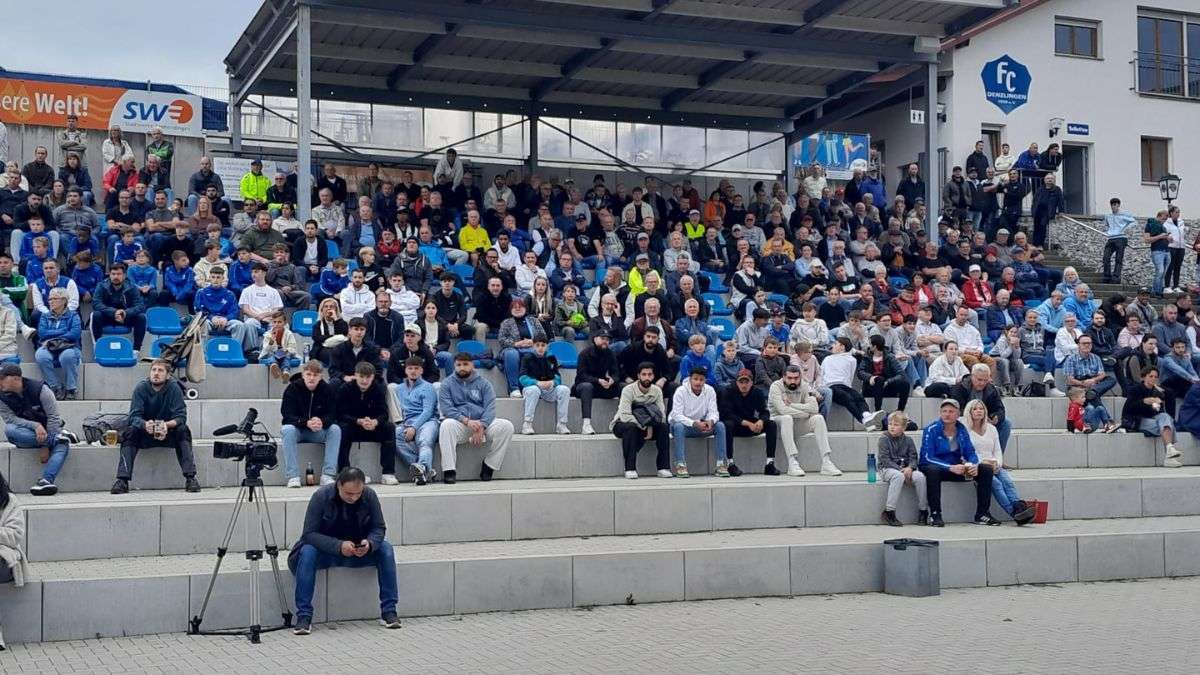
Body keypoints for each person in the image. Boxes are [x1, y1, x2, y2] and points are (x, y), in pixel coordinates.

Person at [289, 466, 400, 635]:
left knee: (386, 549)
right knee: (308, 551)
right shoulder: (321, 496)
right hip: (325, 551)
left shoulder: (369, 495)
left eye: (358, 493)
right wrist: (338, 546)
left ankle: (389, 611)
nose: (354, 498)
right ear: (339, 485)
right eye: (349, 494)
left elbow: (379, 528)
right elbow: (309, 534)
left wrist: (369, 543)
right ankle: (304, 616)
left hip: (357, 551)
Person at [111, 359, 199, 494]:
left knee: (183, 430)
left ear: (168, 375)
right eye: (154, 370)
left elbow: (181, 417)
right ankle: (122, 480)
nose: (156, 373)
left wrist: (166, 425)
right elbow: (134, 416)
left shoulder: (174, 388)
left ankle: (190, 478)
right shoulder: (141, 388)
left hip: (167, 433)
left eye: (160, 370)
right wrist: (145, 424)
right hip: (145, 432)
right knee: (130, 432)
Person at [918, 398, 999, 527]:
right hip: (936, 467)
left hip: (956, 467)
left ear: (957, 414)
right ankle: (935, 514)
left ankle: (982, 514)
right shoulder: (931, 429)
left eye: (951, 411)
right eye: (944, 411)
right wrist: (949, 467)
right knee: (933, 471)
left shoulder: (962, 430)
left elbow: (971, 452)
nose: (947, 414)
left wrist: (973, 465)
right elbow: (927, 457)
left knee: (986, 469)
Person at [438, 352, 515, 484]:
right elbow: (447, 409)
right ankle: (449, 470)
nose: (462, 367)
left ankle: (490, 465)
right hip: (461, 424)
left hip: (482, 424)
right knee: (446, 425)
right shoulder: (446, 384)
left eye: (465, 364)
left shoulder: (484, 384)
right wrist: (466, 421)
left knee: (507, 426)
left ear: (472, 365)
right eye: (458, 365)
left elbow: (490, 408)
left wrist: (482, 426)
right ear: (454, 366)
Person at [0, 364, 70, 496]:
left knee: (63, 444)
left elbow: (53, 417)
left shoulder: (40, 389)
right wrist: (35, 426)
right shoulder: (1, 397)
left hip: (49, 430)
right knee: (10, 430)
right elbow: (10, 419)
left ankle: (46, 481)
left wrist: (45, 445)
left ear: (16, 379)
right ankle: (56, 438)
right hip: (26, 435)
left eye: (2, 378)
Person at [769, 364, 841, 477]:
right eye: (789, 378)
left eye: (796, 378)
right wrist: (806, 413)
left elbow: (814, 408)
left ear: (800, 377)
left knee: (818, 418)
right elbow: (782, 410)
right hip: (778, 425)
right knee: (787, 418)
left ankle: (826, 462)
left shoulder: (804, 386)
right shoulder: (776, 386)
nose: (793, 381)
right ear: (783, 377)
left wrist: (792, 404)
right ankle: (792, 462)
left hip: (797, 424)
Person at [280, 360, 341, 488]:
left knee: (335, 429)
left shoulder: (327, 389)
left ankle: (328, 475)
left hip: (318, 431)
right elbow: (287, 415)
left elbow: (333, 414)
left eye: (315, 375)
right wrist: (305, 422)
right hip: (298, 430)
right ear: (303, 374)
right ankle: (293, 476)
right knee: (287, 430)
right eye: (308, 374)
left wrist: (321, 421)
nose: (311, 378)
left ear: (321, 376)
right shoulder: (292, 388)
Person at [334, 362, 398, 484]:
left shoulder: (378, 389)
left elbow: (384, 413)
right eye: (361, 377)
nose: (364, 381)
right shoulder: (345, 389)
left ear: (373, 377)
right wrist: (358, 421)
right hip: (353, 427)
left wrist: (375, 421)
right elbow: (340, 414)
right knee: (341, 429)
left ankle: (388, 473)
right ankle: (344, 471)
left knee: (389, 428)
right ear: (355, 375)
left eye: (368, 377)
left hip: (372, 427)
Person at [613, 362, 671, 479]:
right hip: (623, 424)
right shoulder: (628, 390)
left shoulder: (657, 391)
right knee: (631, 428)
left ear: (654, 376)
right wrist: (644, 426)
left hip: (650, 424)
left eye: (650, 374)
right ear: (638, 376)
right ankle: (630, 468)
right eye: (643, 374)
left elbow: (661, 415)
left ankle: (663, 467)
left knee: (664, 427)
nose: (647, 377)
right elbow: (625, 415)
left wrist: (650, 426)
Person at [668, 368, 727, 478]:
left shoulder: (710, 390)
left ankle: (721, 464)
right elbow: (677, 415)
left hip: (702, 426)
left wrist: (710, 421)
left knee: (720, 425)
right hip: (683, 427)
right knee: (678, 426)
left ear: (705, 380)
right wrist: (694, 423)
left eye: (701, 379)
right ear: (690, 379)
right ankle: (680, 465)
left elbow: (714, 412)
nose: (698, 382)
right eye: (695, 379)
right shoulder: (680, 391)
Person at [823, 337, 887, 431]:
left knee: (858, 397)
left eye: (835, 343)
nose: (833, 346)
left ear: (842, 346)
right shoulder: (827, 359)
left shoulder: (851, 360)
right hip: (831, 386)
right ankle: (863, 420)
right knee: (846, 397)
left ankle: (867, 415)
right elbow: (822, 373)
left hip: (844, 385)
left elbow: (850, 375)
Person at [877, 411, 926, 526]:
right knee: (898, 476)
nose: (892, 427)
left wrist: (910, 467)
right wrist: (901, 470)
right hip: (887, 468)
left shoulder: (908, 440)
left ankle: (923, 511)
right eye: (890, 424)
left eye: (896, 425)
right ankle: (889, 511)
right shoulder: (884, 439)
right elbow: (885, 459)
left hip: (906, 469)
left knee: (920, 477)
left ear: (903, 427)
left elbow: (913, 457)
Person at [35, 288, 82, 401]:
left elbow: (74, 334)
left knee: (68, 356)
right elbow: (42, 333)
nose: (50, 301)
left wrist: (53, 337)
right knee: (41, 356)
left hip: (69, 345)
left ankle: (71, 388)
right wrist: (63, 331)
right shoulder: (45, 316)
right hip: (49, 346)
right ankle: (55, 387)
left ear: (64, 301)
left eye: (54, 299)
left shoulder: (73, 315)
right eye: (50, 299)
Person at [519, 335, 571, 435]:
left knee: (564, 389)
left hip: (548, 389)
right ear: (533, 346)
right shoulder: (527, 358)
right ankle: (527, 424)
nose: (540, 348)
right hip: (532, 388)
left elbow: (558, 377)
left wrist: (552, 383)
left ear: (547, 346)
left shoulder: (551, 357)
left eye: (543, 345)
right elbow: (522, 378)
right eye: (537, 345)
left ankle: (562, 424)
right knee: (534, 390)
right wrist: (537, 383)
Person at [574, 330, 622, 436]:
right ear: (595, 339)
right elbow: (582, 375)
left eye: (607, 339)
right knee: (587, 387)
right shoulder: (584, 353)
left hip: (602, 386)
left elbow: (616, 373)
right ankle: (586, 424)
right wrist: (598, 380)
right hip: (583, 386)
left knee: (623, 387)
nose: (605, 341)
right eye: (602, 339)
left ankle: (623, 418)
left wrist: (612, 380)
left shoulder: (610, 353)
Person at [91, 263, 147, 350]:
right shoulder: (102, 285)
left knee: (141, 317)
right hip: (107, 316)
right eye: (113, 274)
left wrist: (125, 313)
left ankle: (136, 350)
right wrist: (114, 312)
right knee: (96, 315)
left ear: (124, 275)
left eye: (119, 274)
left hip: (125, 317)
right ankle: (98, 348)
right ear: (109, 275)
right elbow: (96, 303)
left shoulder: (132, 287)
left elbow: (140, 305)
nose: (115, 276)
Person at [858, 333, 909, 414]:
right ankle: (877, 410)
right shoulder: (867, 357)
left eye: (870, 344)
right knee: (879, 379)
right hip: (871, 386)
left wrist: (888, 381)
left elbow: (901, 374)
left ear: (874, 346)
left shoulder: (889, 357)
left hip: (886, 386)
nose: (868, 346)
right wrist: (870, 377)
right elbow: (860, 372)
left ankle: (900, 410)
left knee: (905, 383)